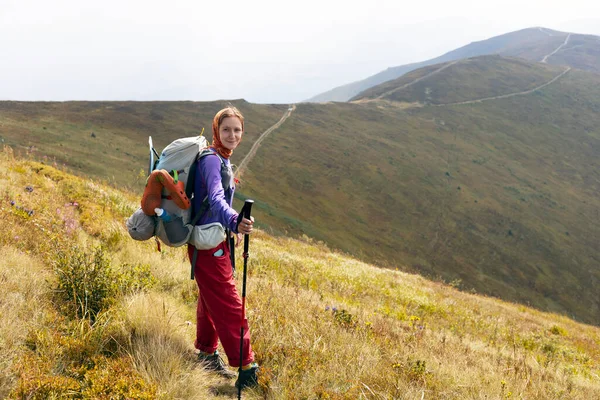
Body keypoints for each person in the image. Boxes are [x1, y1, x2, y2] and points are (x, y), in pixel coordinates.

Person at [187, 106, 258, 389]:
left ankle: (205, 352)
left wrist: (231, 229)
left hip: (213, 239)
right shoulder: (212, 161)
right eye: (226, 129)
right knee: (229, 304)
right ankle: (247, 366)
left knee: (210, 297)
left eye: (237, 130)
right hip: (207, 243)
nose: (232, 135)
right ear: (216, 130)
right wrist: (233, 219)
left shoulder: (222, 158)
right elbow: (216, 198)